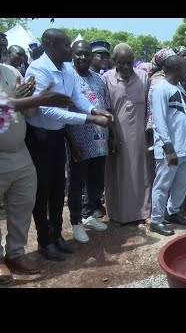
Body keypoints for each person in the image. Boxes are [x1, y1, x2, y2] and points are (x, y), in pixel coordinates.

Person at [24, 28, 111, 262]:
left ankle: (57, 236)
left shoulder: (66, 71)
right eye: (65, 45)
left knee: (56, 189)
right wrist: (90, 118)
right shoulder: (38, 70)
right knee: (43, 191)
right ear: (51, 45)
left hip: (56, 136)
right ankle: (45, 241)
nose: (69, 49)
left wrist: (93, 109)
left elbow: (75, 99)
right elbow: (48, 110)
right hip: (39, 137)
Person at [0, 52, 73, 284]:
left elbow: (28, 112)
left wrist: (34, 99)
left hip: (19, 150)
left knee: (23, 203)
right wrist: (19, 100)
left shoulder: (12, 72)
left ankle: (15, 253)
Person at [150, 54, 186, 235]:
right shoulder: (160, 89)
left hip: (184, 147)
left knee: (182, 183)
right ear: (175, 69)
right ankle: (156, 219)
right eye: (184, 68)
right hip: (170, 149)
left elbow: (181, 117)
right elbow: (158, 120)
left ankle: (172, 212)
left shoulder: (181, 89)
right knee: (163, 184)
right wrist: (168, 147)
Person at [65, 40, 111, 244]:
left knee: (96, 182)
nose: (83, 57)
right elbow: (63, 113)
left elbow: (106, 107)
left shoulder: (99, 80)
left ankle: (90, 216)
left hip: (100, 141)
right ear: (72, 54)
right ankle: (76, 223)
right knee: (76, 184)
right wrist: (72, 143)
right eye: (79, 53)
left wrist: (112, 137)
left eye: (86, 54)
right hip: (79, 142)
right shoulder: (68, 78)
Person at [103, 43, 153, 224]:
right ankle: (117, 213)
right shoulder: (106, 79)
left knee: (141, 172)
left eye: (129, 62)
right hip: (117, 135)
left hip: (140, 134)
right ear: (114, 61)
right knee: (118, 173)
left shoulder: (144, 77)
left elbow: (150, 108)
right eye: (121, 63)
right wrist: (111, 135)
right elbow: (105, 109)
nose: (125, 67)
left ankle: (142, 212)